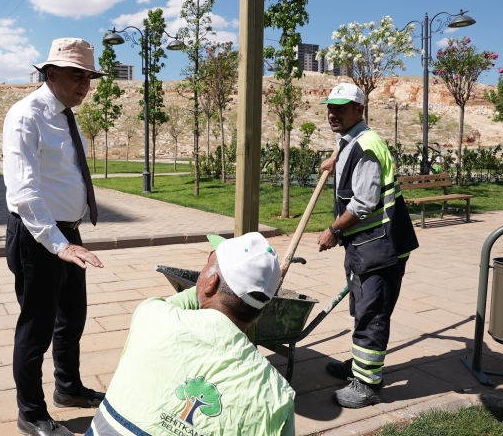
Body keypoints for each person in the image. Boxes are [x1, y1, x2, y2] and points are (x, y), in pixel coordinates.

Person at [86, 233, 296, 436]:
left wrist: (204, 287)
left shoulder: (152, 316)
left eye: (208, 263)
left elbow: (184, 300)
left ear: (212, 282)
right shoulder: (277, 396)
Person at [4, 38, 108, 436]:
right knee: (36, 327)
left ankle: (68, 388)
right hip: (39, 236)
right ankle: (31, 412)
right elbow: (24, 192)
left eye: (89, 76)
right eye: (76, 74)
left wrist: (70, 236)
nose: (86, 83)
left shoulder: (65, 115)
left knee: (72, 319)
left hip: (67, 233)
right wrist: (59, 243)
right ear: (51, 73)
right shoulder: (26, 116)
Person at [316, 83, 419, 409]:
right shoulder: (350, 141)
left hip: (381, 246)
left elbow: (364, 203)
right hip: (365, 245)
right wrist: (336, 160)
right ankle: (359, 367)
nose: (332, 114)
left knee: (372, 313)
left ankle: (368, 385)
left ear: (359, 110)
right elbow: (350, 159)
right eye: (329, 108)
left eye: (340, 108)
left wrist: (333, 230)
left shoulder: (367, 147)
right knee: (361, 308)